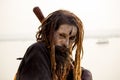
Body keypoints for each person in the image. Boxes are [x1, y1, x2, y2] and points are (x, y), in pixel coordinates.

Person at [15, 9, 92, 80]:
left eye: (71, 38)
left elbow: (79, 72)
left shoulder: (61, 58)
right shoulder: (37, 51)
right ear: (49, 33)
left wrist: (86, 74)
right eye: (62, 35)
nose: (67, 44)